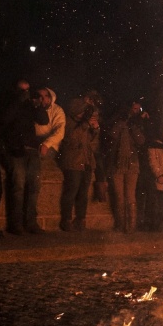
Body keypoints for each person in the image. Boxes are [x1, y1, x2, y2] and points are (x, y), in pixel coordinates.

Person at [0, 81, 50, 234]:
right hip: (14, 149)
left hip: (31, 149)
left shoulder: (30, 104)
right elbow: (4, 119)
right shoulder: (7, 102)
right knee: (18, 185)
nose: (26, 93)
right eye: (22, 90)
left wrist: (38, 105)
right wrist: (18, 101)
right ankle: (16, 224)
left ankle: (31, 222)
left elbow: (43, 120)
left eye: (28, 90)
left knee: (34, 185)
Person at [58, 90, 101, 232]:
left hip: (87, 161)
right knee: (71, 191)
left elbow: (92, 143)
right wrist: (85, 125)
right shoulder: (69, 121)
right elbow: (70, 140)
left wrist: (95, 129)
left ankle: (81, 219)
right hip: (73, 161)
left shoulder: (87, 121)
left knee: (83, 193)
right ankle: (66, 220)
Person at [104, 101, 147, 232]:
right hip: (117, 163)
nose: (136, 111)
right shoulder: (117, 122)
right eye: (134, 108)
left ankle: (131, 226)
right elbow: (112, 136)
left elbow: (141, 141)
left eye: (138, 109)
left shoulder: (137, 124)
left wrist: (133, 126)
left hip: (132, 164)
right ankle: (120, 224)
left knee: (130, 195)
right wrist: (122, 124)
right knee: (119, 195)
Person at [33, 87, 66, 160]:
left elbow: (60, 131)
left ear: (50, 97)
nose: (43, 98)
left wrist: (46, 144)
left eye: (45, 96)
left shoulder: (57, 110)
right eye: (40, 96)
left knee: (37, 159)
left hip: (51, 144)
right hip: (33, 142)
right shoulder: (32, 108)